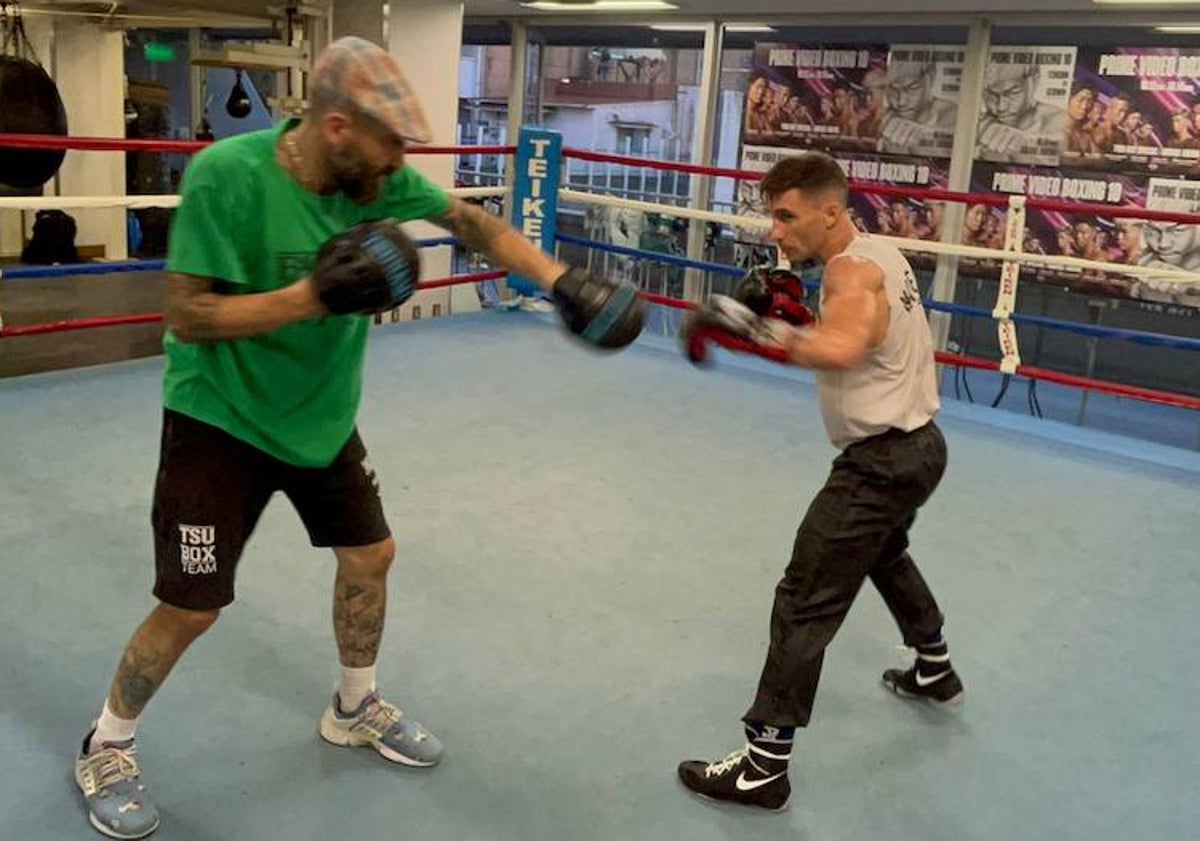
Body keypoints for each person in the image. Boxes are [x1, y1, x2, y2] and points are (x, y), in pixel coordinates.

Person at [72, 36, 643, 840]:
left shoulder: (371, 173)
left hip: (321, 417)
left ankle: (354, 704)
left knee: (370, 556)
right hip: (218, 419)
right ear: (337, 127)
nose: (399, 166)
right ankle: (108, 741)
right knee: (191, 607)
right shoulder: (226, 177)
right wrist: (312, 296)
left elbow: (470, 220)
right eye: (390, 146)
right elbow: (188, 315)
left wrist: (558, 282)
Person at [677, 151, 961, 811]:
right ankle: (935, 666)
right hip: (920, 448)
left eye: (787, 215)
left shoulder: (849, 272)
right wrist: (799, 320)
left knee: (804, 597)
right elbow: (863, 339)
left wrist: (750, 324)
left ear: (831, 209)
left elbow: (841, 348)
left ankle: (763, 766)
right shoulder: (880, 251)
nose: (776, 231)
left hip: (879, 462)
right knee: (883, 553)